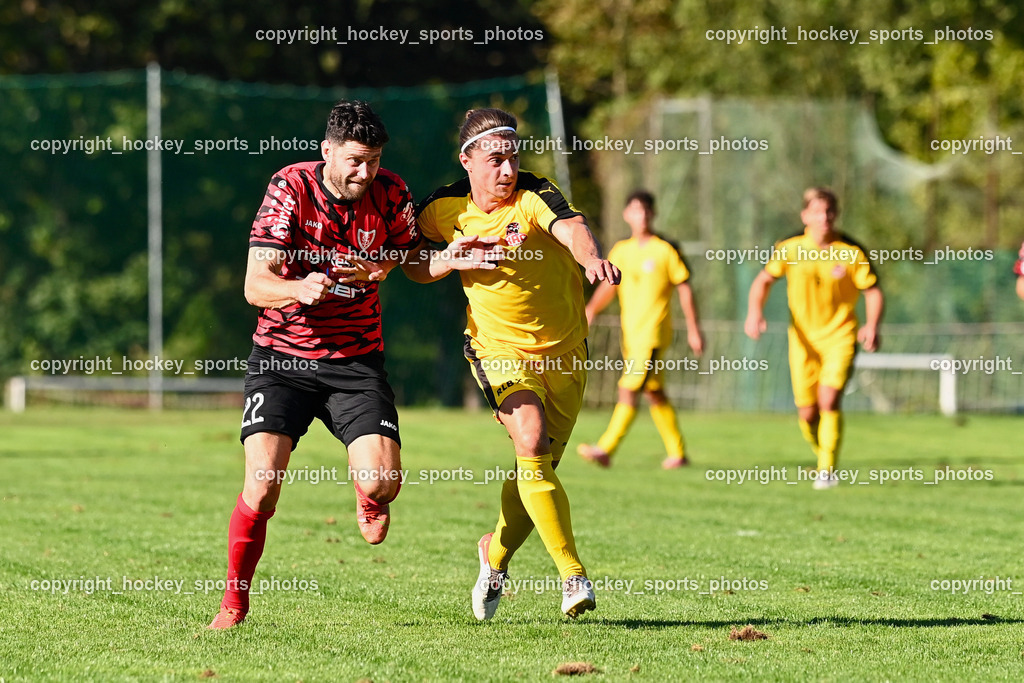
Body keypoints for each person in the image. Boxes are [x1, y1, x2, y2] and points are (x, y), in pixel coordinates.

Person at [208, 100, 494, 630]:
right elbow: (254, 285)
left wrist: (447, 259)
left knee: (383, 482)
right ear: (328, 152)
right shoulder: (289, 188)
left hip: (355, 361)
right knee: (264, 483)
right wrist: (298, 287)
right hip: (282, 360)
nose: (366, 173)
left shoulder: (391, 191)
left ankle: (368, 494)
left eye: (375, 161)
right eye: (356, 161)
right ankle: (234, 604)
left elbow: (413, 262)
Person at [402, 108, 620, 620]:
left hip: (566, 353)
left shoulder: (534, 193)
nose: (506, 169)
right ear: (468, 160)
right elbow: (410, 262)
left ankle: (494, 554)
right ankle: (573, 577)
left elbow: (571, 227)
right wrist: (448, 259)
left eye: (512, 158)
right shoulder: (441, 208)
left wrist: (591, 260)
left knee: (536, 466)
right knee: (530, 439)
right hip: (497, 349)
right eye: (495, 159)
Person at [745, 187, 883, 489]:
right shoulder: (790, 248)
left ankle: (826, 470)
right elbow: (763, 280)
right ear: (805, 215)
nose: (825, 218)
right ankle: (823, 452)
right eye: (818, 211)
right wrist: (754, 312)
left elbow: (872, 290)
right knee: (807, 413)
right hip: (803, 341)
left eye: (830, 211)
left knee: (829, 400)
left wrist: (872, 325)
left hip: (840, 336)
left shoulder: (850, 252)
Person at [576, 190, 704, 470]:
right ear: (627, 215)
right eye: (636, 210)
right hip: (631, 336)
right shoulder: (622, 250)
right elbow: (609, 285)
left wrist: (695, 329)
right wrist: (591, 309)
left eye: (646, 210)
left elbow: (684, 289)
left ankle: (606, 448)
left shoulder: (666, 249)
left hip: (653, 334)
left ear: (653, 214)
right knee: (654, 393)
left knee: (628, 390)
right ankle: (678, 453)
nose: (642, 216)